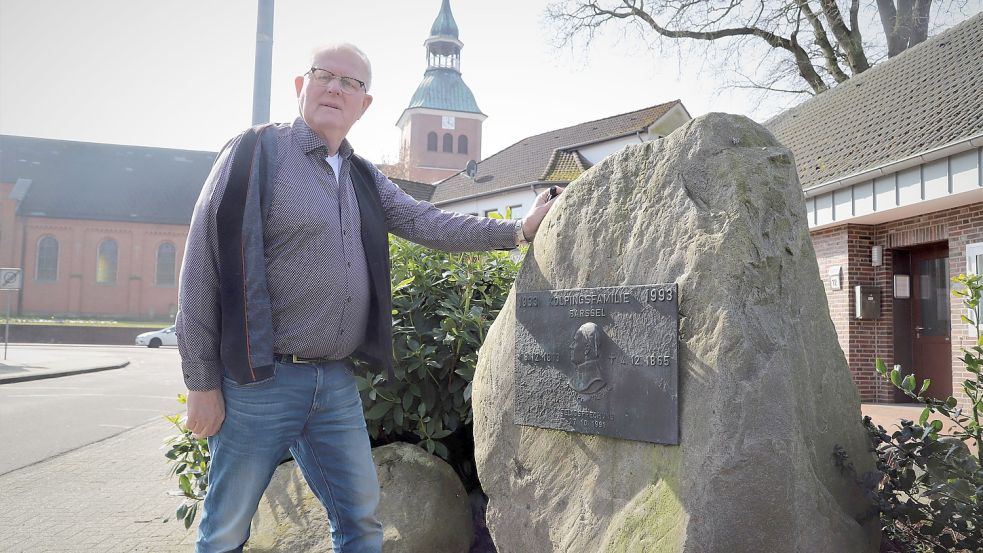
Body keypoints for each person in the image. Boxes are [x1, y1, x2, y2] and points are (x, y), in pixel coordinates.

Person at [176, 42, 561, 553]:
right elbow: (201, 265)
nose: (335, 87)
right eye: (323, 75)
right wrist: (201, 382)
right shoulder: (254, 152)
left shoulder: (360, 174)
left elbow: (426, 221)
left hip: (332, 382)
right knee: (225, 529)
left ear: (365, 105)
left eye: (350, 83)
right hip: (259, 381)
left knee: (361, 522)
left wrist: (517, 232)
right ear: (301, 87)